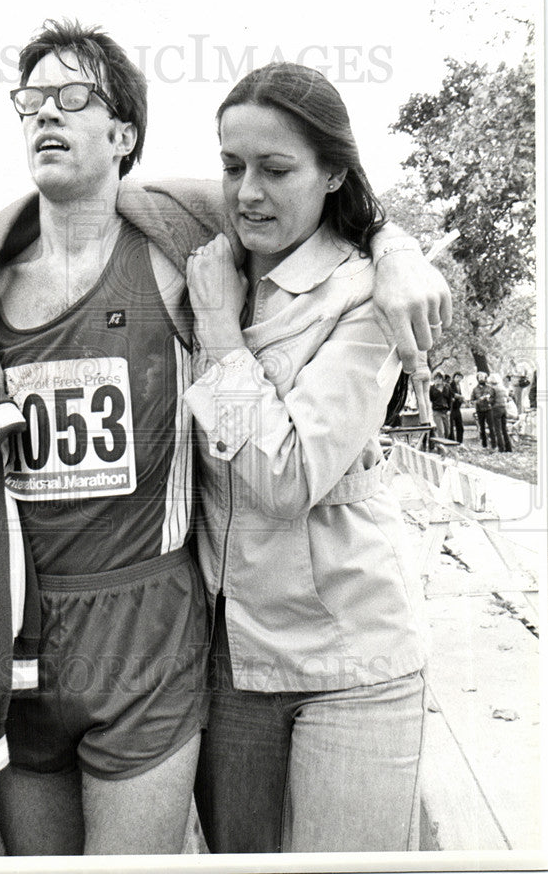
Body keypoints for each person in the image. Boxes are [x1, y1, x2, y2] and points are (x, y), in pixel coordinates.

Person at [0, 22, 450, 859]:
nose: (46, 112)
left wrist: (395, 249)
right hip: (23, 639)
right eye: (30, 99)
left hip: (156, 631)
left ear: (124, 135)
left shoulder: (183, 251)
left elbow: (328, 208)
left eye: (73, 96)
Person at [184, 62, 428, 853]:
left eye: (276, 169)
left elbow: (283, 478)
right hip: (232, 660)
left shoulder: (361, 297)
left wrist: (219, 328)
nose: (246, 191)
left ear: (332, 174)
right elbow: (88, 189)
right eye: (230, 165)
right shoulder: (204, 244)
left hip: (352, 657)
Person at [488, 372, 513, 452]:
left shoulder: (493, 389)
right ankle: (508, 447)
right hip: (503, 408)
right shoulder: (502, 388)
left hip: (496, 409)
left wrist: (487, 400)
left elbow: (491, 400)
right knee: (504, 429)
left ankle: (501, 448)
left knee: (498, 430)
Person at [470, 371, 495, 448]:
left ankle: (494, 444)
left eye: (483, 377)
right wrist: (478, 401)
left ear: (485, 378)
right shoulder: (474, 390)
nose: (481, 379)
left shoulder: (490, 388)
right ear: (477, 379)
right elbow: (472, 400)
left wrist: (488, 400)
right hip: (479, 410)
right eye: (479, 377)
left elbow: (493, 399)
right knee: (482, 428)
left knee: (491, 427)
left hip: (488, 409)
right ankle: (484, 445)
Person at [429, 370, 452, 438]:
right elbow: (430, 399)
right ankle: (441, 446)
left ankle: (444, 444)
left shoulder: (447, 387)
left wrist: (449, 410)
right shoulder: (432, 388)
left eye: (439, 378)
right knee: (441, 431)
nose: (438, 380)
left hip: (445, 411)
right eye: (436, 378)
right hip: (437, 411)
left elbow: (450, 399)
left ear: (442, 379)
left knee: (447, 431)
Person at [448, 372, 465, 444]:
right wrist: (459, 397)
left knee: (460, 426)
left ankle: (459, 441)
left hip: (457, 407)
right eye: (457, 377)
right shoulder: (450, 385)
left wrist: (461, 400)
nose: (458, 379)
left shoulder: (459, 386)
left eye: (460, 378)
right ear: (454, 377)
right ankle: (451, 441)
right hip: (452, 407)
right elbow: (452, 394)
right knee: (451, 426)